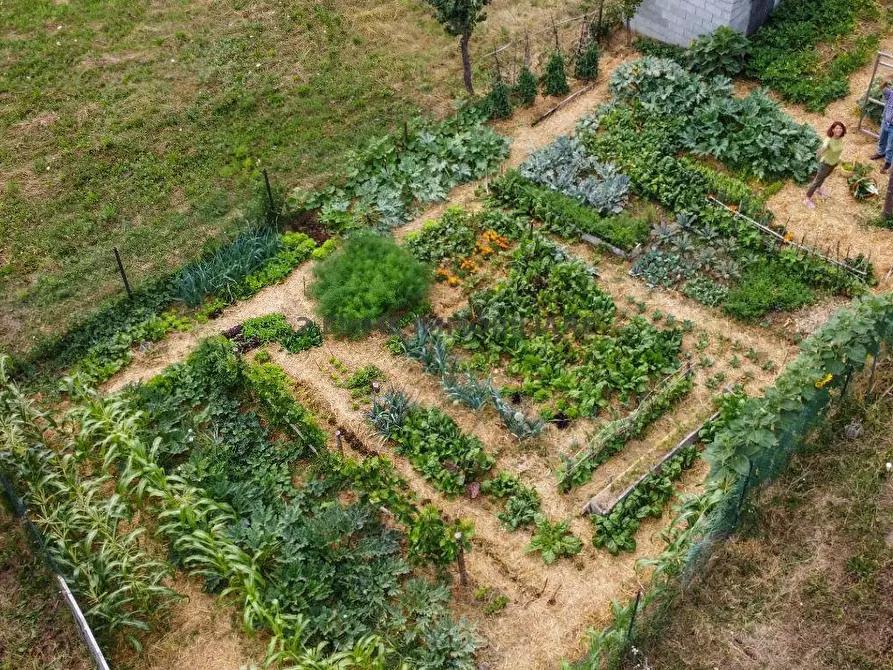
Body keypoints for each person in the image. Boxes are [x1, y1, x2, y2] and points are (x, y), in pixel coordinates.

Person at [804, 121, 846, 209]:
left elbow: (837, 151)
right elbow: (824, 147)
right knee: (816, 181)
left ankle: (818, 189)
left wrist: (839, 160)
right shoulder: (829, 139)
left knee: (823, 178)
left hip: (834, 163)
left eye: (840, 128)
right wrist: (819, 153)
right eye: (837, 128)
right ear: (833, 129)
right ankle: (807, 199)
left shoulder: (840, 139)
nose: (839, 130)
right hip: (825, 164)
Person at [870, 78, 893, 174]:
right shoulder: (891, 94)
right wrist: (888, 79)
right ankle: (880, 153)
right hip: (885, 122)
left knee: (890, 145)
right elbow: (881, 87)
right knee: (882, 139)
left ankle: (888, 162)